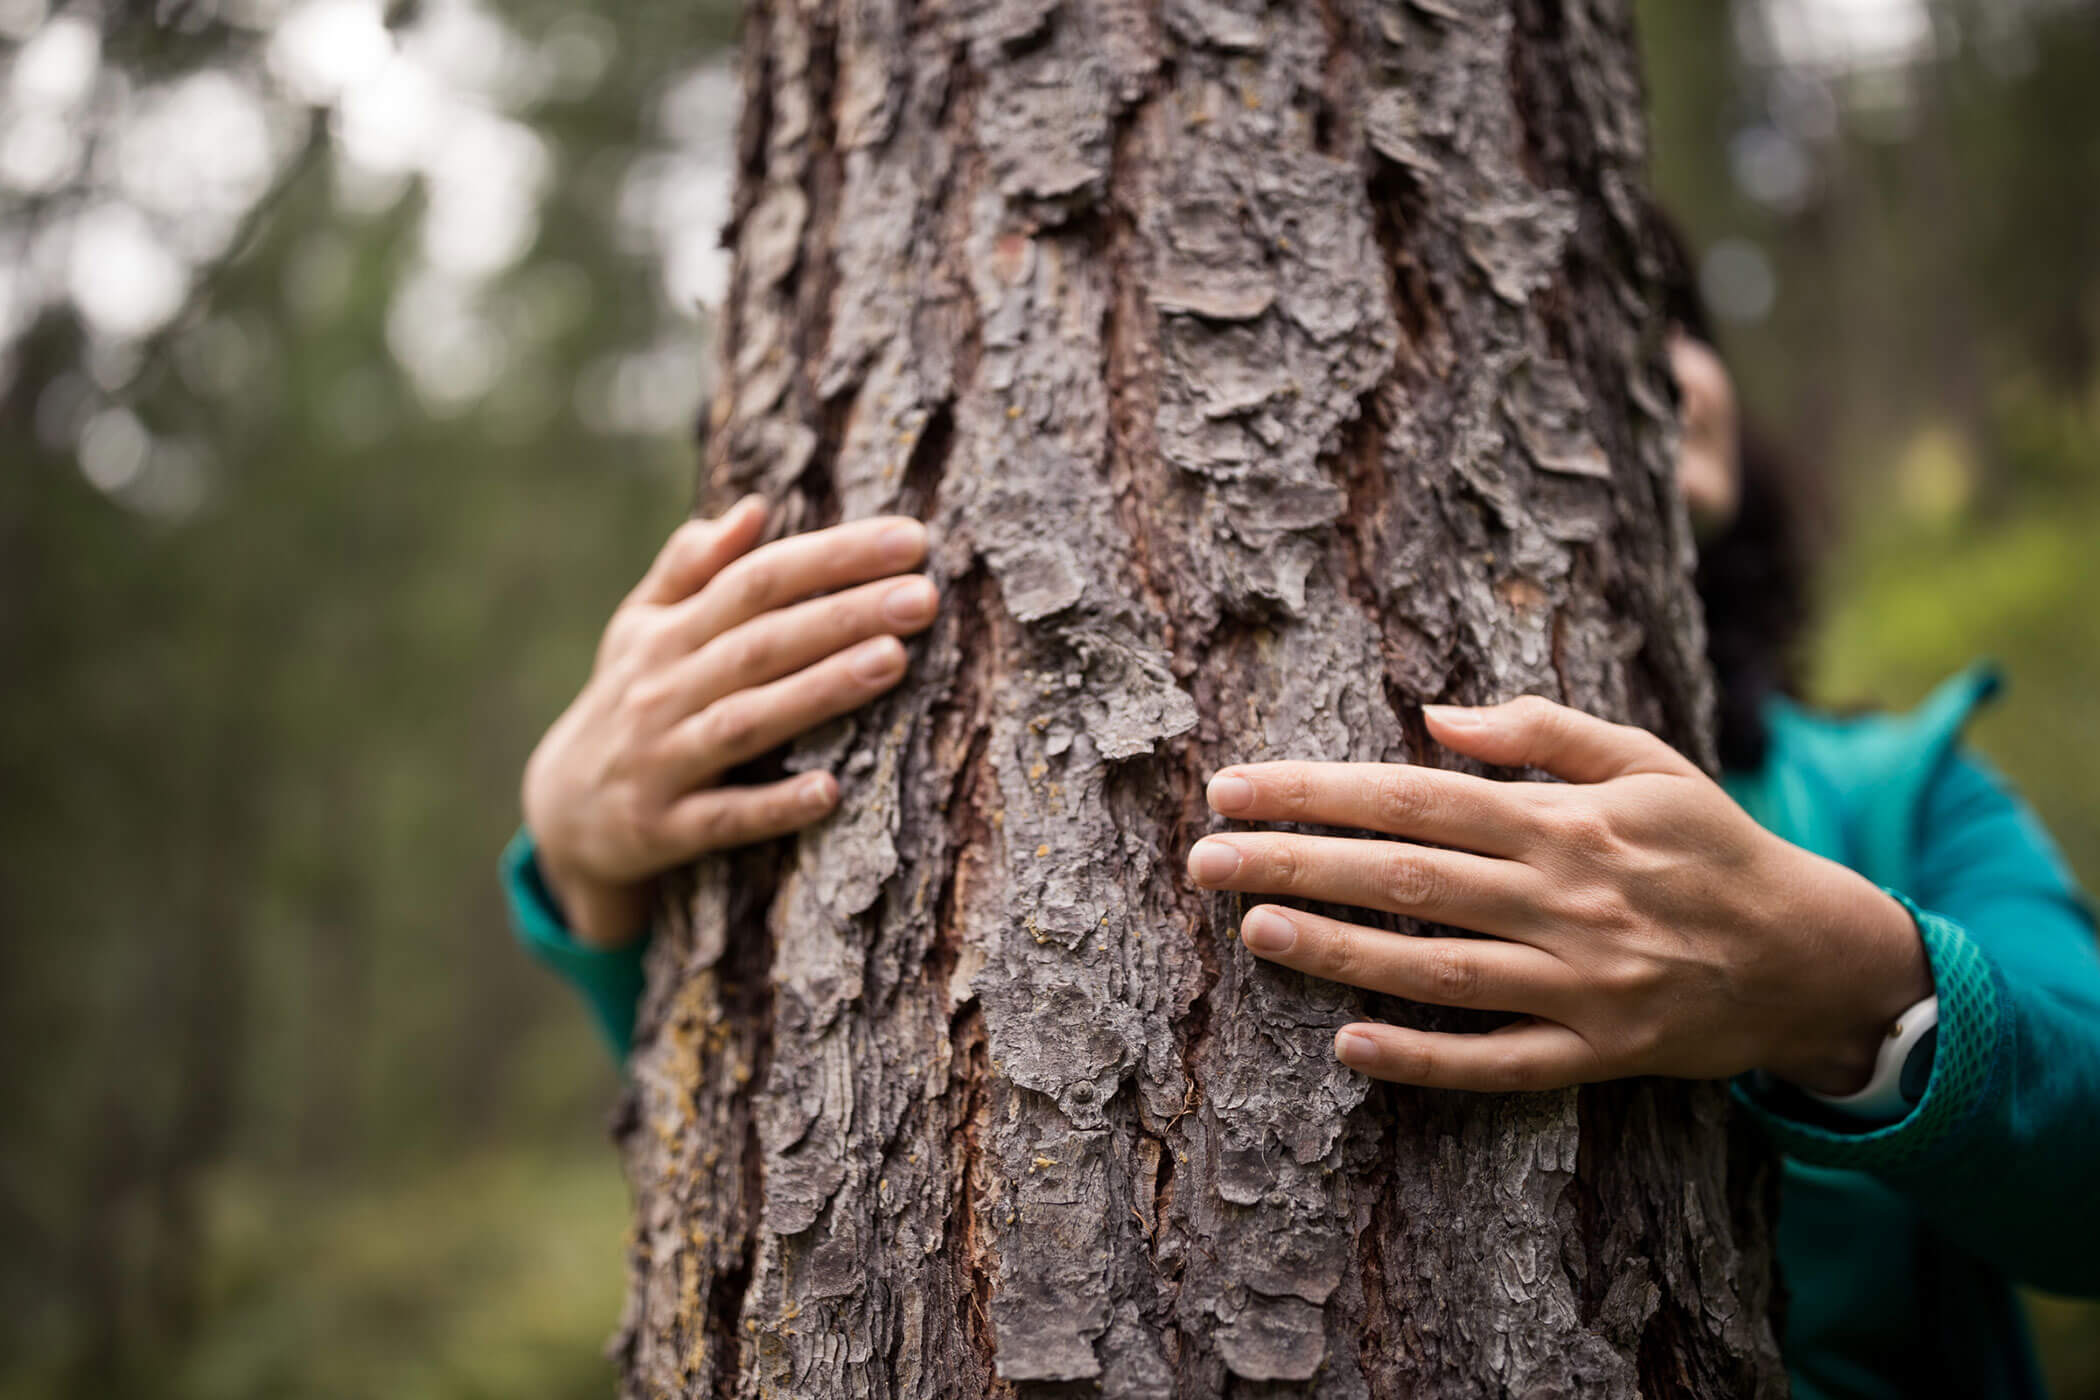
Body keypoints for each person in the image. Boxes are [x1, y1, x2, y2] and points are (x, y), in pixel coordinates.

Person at [500, 275, 2100, 1399]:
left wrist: (1842, 980)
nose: (1658, 357)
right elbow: (733, 1122)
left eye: (1667, 306)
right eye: (1601, 307)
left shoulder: (1902, 791)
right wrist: (581, 861)